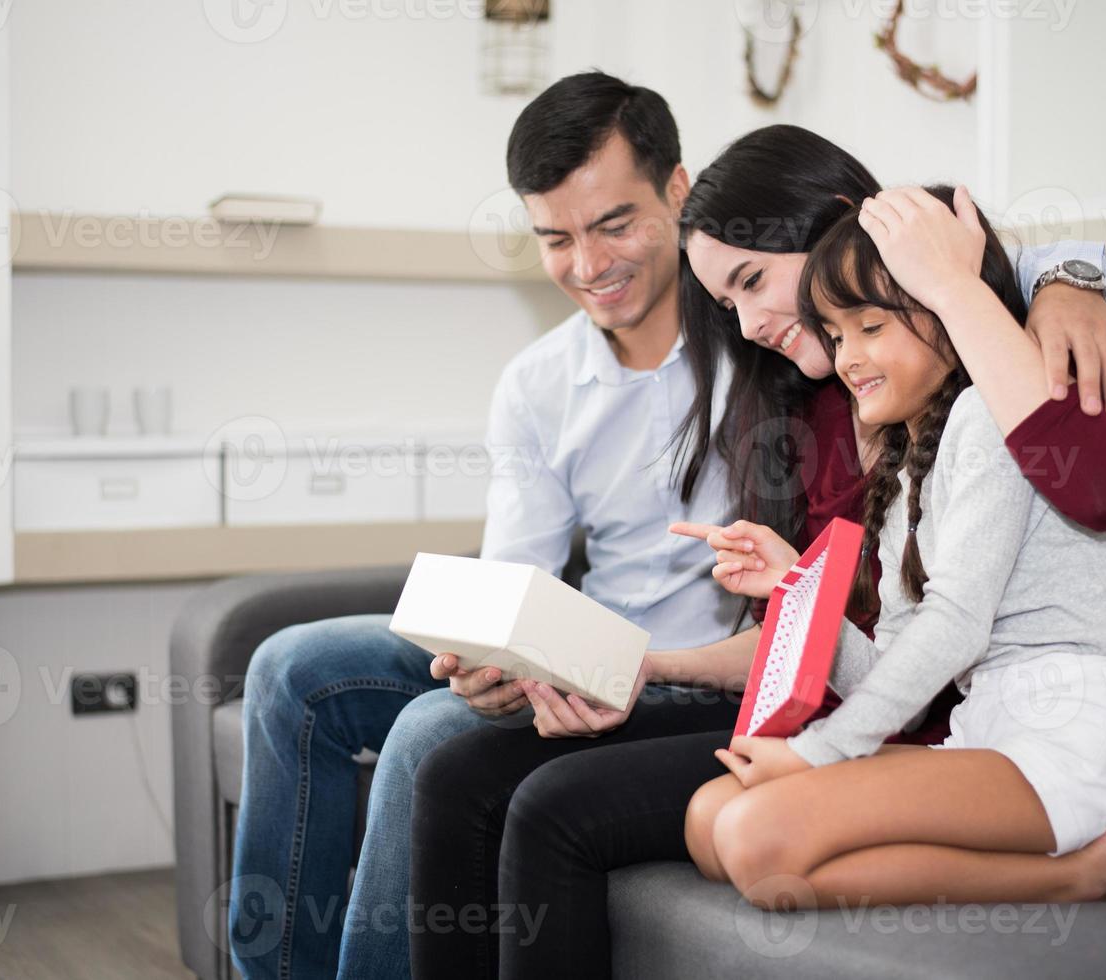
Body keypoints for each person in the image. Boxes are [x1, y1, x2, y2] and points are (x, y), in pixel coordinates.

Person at [406, 126, 1106, 980]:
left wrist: (1069, 275)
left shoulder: (960, 381)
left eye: (754, 282)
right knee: (456, 763)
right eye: (726, 305)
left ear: (841, 229)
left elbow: (1068, 490)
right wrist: (636, 668)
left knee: (555, 808)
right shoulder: (810, 409)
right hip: (872, 703)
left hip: (954, 728)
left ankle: (1078, 877)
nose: (751, 325)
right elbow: (816, 637)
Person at [228, 72, 745, 980]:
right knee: (288, 669)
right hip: (581, 642)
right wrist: (491, 653)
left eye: (614, 224)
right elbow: (517, 576)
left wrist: (1067, 280)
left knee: (431, 735)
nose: (588, 266)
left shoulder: (768, 337)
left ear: (677, 190)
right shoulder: (539, 383)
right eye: (555, 238)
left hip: (689, 681)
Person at [682, 184, 1106, 912]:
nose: (848, 356)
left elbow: (957, 624)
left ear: (949, 318)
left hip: (1079, 729)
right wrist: (800, 587)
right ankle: (1078, 872)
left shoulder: (992, 413)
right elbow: (884, 670)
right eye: (836, 333)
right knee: (707, 822)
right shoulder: (905, 467)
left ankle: (1082, 875)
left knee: (758, 842)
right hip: (992, 730)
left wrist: (820, 753)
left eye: (871, 327)